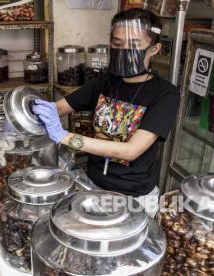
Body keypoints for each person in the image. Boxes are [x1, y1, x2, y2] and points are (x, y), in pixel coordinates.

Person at [32, 8, 180, 216]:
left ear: (154, 49)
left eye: (134, 45)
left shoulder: (165, 94)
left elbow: (131, 151)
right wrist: (31, 111)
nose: (123, 50)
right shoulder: (105, 82)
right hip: (92, 185)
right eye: (117, 44)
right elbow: (59, 108)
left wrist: (66, 137)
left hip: (133, 197)